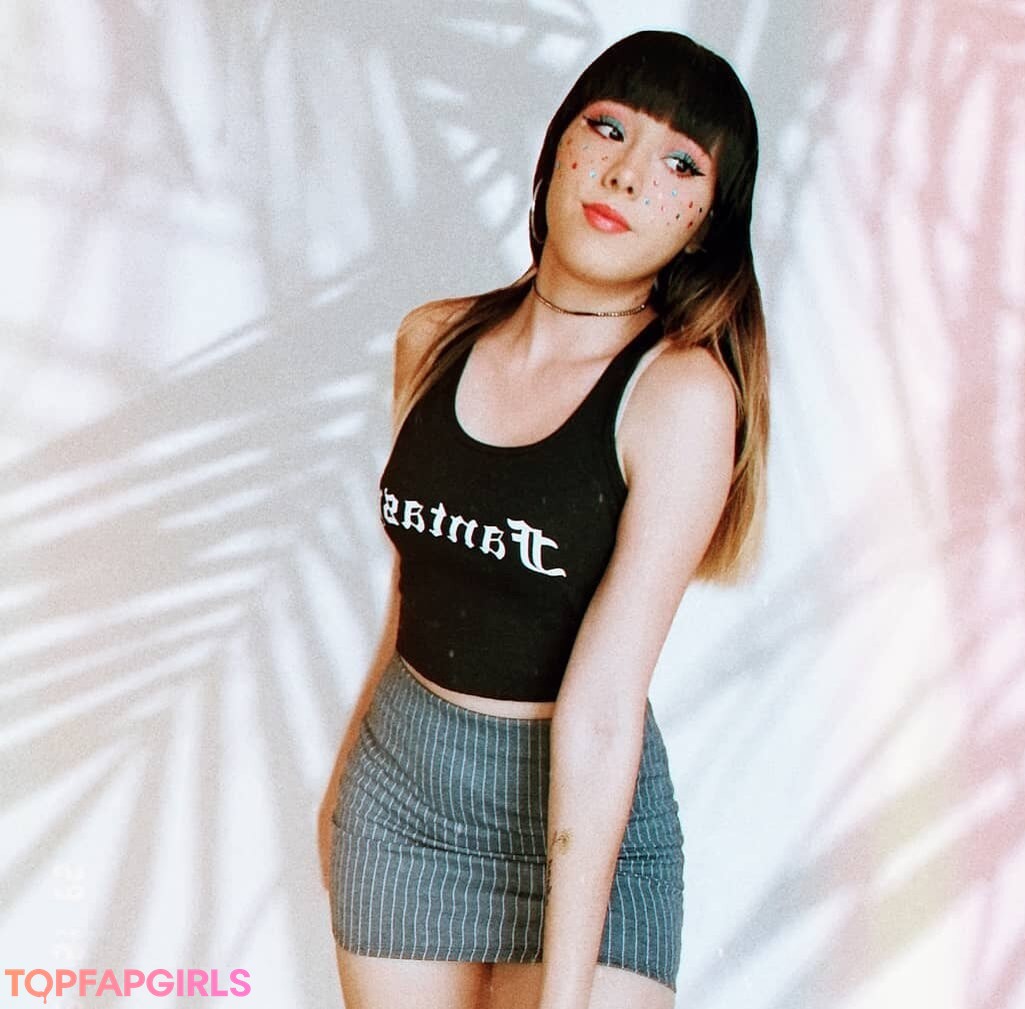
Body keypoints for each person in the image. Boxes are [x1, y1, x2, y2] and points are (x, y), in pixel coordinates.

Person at [321, 29, 769, 1009]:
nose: (626, 173)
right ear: (558, 145)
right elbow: (417, 592)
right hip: (401, 802)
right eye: (608, 128)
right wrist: (347, 780)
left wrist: (564, 993)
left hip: (585, 831)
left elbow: (604, 707)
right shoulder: (432, 339)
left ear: (705, 224)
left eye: (680, 163)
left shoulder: (678, 396)